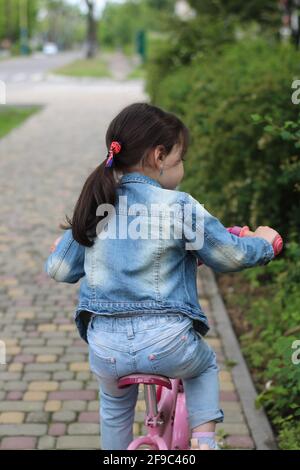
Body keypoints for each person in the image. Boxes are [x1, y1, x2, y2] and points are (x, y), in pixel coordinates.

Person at [45, 102, 278, 450]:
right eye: (179, 158)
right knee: (203, 367)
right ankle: (204, 442)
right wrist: (265, 243)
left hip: (106, 348)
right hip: (168, 344)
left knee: (113, 406)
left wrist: (74, 249)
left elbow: (60, 269)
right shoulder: (179, 206)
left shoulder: (97, 203)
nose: (181, 167)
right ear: (158, 156)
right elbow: (228, 255)